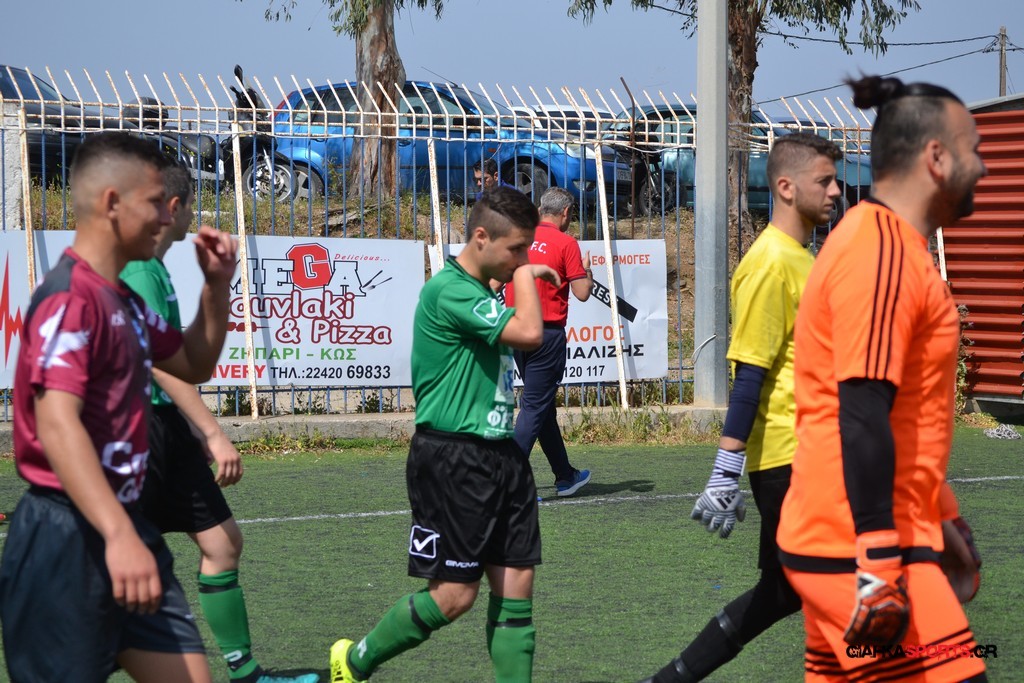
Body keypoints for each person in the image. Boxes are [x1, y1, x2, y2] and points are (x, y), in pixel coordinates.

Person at [0, 131, 237, 682]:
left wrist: (215, 288)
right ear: (112, 203)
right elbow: (57, 426)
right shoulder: (69, 299)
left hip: (125, 529)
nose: (167, 216)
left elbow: (193, 363)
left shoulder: (120, 298)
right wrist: (118, 533)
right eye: (154, 202)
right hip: (66, 540)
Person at [776, 76, 988, 682]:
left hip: (856, 536)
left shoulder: (888, 243)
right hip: (857, 545)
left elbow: (905, 413)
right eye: (974, 150)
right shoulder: (881, 249)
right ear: (936, 157)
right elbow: (862, 410)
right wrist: (876, 565)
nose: (984, 167)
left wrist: (941, 514)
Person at [329, 186, 559, 683]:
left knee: (516, 589)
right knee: (455, 596)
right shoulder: (448, 290)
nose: (524, 259)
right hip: (454, 458)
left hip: (502, 456)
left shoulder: (481, 289)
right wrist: (525, 277)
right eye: (517, 249)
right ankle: (354, 661)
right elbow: (529, 334)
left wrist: (512, 274)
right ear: (481, 238)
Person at [639, 132, 843, 683]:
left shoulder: (800, 258)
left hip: (810, 455)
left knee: (784, 591)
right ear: (786, 187)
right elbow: (749, 375)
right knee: (851, 587)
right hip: (794, 459)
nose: (835, 191)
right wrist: (725, 470)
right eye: (824, 180)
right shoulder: (770, 263)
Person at [119, 165, 319, 683]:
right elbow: (159, 364)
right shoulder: (139, 270)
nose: (193, 215)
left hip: (166, 428)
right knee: (118, 571)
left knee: (222, 543)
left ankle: (245, 672)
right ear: (174, 208)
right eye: (191, 205)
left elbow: (183, 359)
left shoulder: (153, 268)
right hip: (139, 434)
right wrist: (211, 430)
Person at [504, 186, 593, 497]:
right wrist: (588, 272)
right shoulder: (566, 243)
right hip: (546, 332)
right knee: (534, 407)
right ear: (565, 212)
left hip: (516, 329)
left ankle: (565, 475)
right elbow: (582, 293)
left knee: (541, 407)